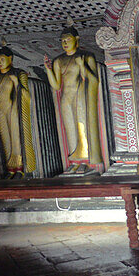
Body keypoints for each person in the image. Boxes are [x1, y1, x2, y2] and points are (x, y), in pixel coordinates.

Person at [44, 22, 104, 173]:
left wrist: (82, 65)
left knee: (82, 126)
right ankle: (74, 160)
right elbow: (56, 86)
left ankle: (86, 160)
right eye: (63, 41)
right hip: (66, 97)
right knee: (70, 129)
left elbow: (94, 80)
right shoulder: (58, 61)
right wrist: (48, 70)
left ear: (77, 39)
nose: (65, 43)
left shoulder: (86, 56)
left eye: (68, 39)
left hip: (81, 96)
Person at [0, 42, 35, 178]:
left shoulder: (18, 73)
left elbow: (25, 95)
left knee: (16, 139)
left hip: (14, 111)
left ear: (11, 59)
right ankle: (10, 169)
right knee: (5, 142)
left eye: (2, 59)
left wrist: (16, 82)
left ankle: (20, 169)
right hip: (1, 112)